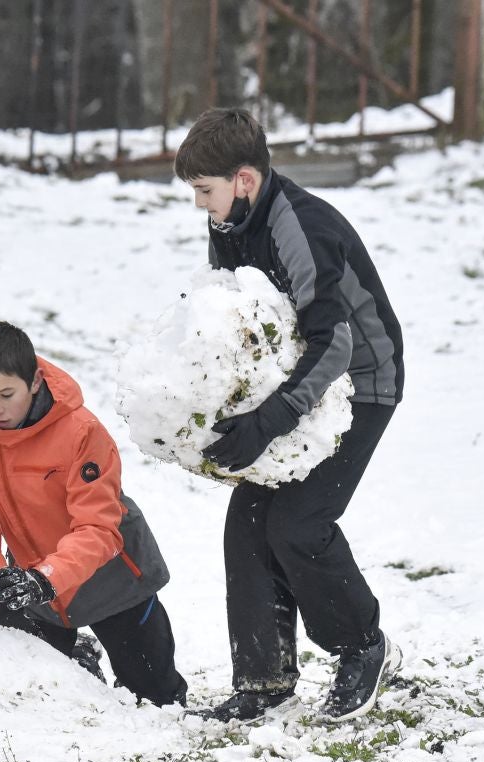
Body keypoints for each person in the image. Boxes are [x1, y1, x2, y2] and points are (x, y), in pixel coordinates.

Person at [173, 107, 405, 723]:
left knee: (299, 525)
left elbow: (335, 343)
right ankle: (263, 680)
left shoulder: (299, 226)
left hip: (361, 385)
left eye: (205, 191)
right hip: (303, 380)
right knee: (248, 522)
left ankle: (364, 647)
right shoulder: (232, 222)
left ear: (244, 180)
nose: (201, 205)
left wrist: (268, 422)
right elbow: (241, 323)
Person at [0, 322, 188, 708]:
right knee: (39, 700)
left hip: (112, 578)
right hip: (33, 583)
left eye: (7, 394)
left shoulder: (81, 430)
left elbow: (99, 528)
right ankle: (78, 655)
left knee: (155, 701)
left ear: (34, 381)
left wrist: (48, 578)